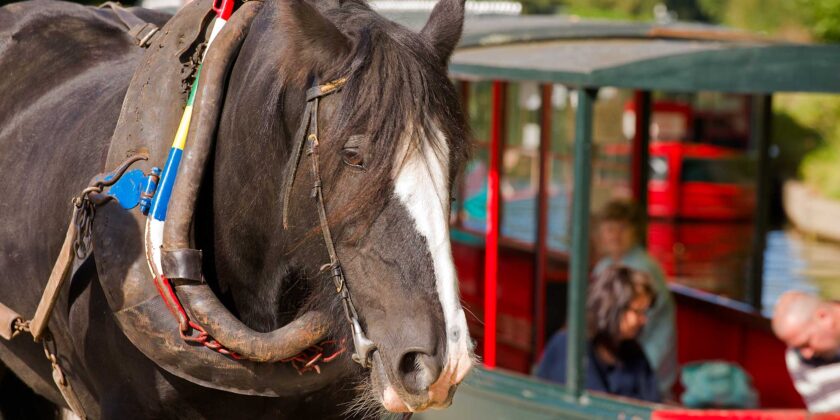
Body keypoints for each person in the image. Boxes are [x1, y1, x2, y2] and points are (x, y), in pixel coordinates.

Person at [536, 266, 662, 402]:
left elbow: (652, 401)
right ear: (613, 308)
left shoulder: (633, 352)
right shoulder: (569, 346)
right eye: (638, 312)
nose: (643, 320)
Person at [593, 199, 677, 398]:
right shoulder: (603, 266)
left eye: (622, 228)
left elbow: (634, 326)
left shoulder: (643, 267)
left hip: (649, 359)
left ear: (635, 232)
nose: (615, 235)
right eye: (609, 229)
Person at [772, 291, 840, 412]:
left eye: (807, 343)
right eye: (798, 347)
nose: (806, 354)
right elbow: (824, 412)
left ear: (823, 316)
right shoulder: (795, 357)